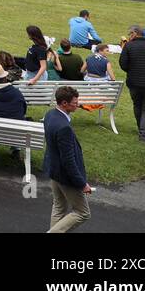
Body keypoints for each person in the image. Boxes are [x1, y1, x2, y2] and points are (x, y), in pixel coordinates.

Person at [44, 86, 92, 233]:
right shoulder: (64, 127)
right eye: (74, 102)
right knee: (83, 212)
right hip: (66, 177)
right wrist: (82, 183)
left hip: (54, 170)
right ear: (64, 103)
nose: (77, 104)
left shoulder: (50, 115)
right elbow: (68, 160)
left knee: (59, 207)